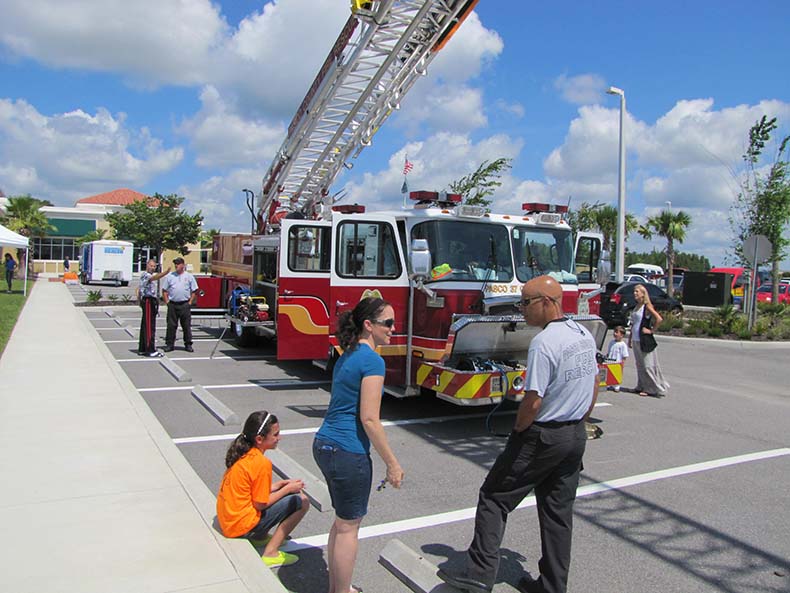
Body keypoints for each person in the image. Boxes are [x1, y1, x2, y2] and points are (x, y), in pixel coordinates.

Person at [439, 276, 599, 593]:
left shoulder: (543, 343)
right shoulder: (582, 333)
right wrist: (580, 416)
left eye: (525, 302)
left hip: (543, 435)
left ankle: (479, 575)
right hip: (574, 435)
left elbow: (533, 400)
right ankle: (553, 586)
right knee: (557, 514)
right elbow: (594, 382)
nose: (521, 309)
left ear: (546, 303)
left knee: (494, 498)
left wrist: (519, 430)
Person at [312, 297, 405, 593]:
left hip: (324, 443)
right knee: (350, 527)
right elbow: (369, 419)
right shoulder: (373, 360)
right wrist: (392, 463)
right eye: (387, 323)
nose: (393, 328)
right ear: (369, 325)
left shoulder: (346, 353)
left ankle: (337, 588)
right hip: (347, 450)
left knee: (342, 523)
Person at [216, 411, 309, 567]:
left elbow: (250, 491)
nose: (279, 438)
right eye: (275, 434)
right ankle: (271, 553)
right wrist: (287, 490)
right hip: (240, 526)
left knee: (286, 494)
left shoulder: (244, 454)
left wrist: (278, 486)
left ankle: (260, 536)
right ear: (259, 439)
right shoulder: (261, 463)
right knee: (302, 501)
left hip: (229, 522)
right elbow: (260, 504)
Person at [629, 284, 670, 398]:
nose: (635, 293)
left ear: (643, 293)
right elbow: (633, 324)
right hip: (636, 339)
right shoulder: (636, 306)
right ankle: (641, 385)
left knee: (648, 365)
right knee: (639, 364)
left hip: (645, 340)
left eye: (637, 291)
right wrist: (630, 338)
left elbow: (659, 319)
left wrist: (651, 331)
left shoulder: (647, 307)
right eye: (634, 291)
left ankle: (651, 388)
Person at [161, 256, 199, 352]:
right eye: (175, 264)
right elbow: (164, 290)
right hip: (173, 304)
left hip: (184, 304)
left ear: (183, 265)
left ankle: (188, 344)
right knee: (171, 325)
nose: (176, 266)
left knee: (186, 326)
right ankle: (169, 344)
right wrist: (167, 302)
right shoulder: (170, 276)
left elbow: (194, 290)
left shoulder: (189, 276)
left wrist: (190, 302)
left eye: (178, 264)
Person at [137, 259, 170, 357]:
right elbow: (154, 278)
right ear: (147, 265)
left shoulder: (146, 276)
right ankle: (150, 349)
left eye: (154, 266)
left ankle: (142, 348)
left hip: (149, 301)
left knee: (145, 325)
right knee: (149, 326)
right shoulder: (146, 275)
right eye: (151, 266)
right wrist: (166, 272)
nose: (153, 268)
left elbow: (138, 289)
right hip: (148, 300)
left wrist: (139, 299)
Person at [605, 325, 629, 392]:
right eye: (614, 332)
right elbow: (609, 351)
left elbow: (624, 355)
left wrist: (622, 363)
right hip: (610, 361)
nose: (615, 334)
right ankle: (608, 384)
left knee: (617, 374)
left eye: (617, 332)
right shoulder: (611, 342)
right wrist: (607, 357)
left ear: (622, 335)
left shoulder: (622, 344)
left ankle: (616, 386)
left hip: (617, 362)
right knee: (609, 373)